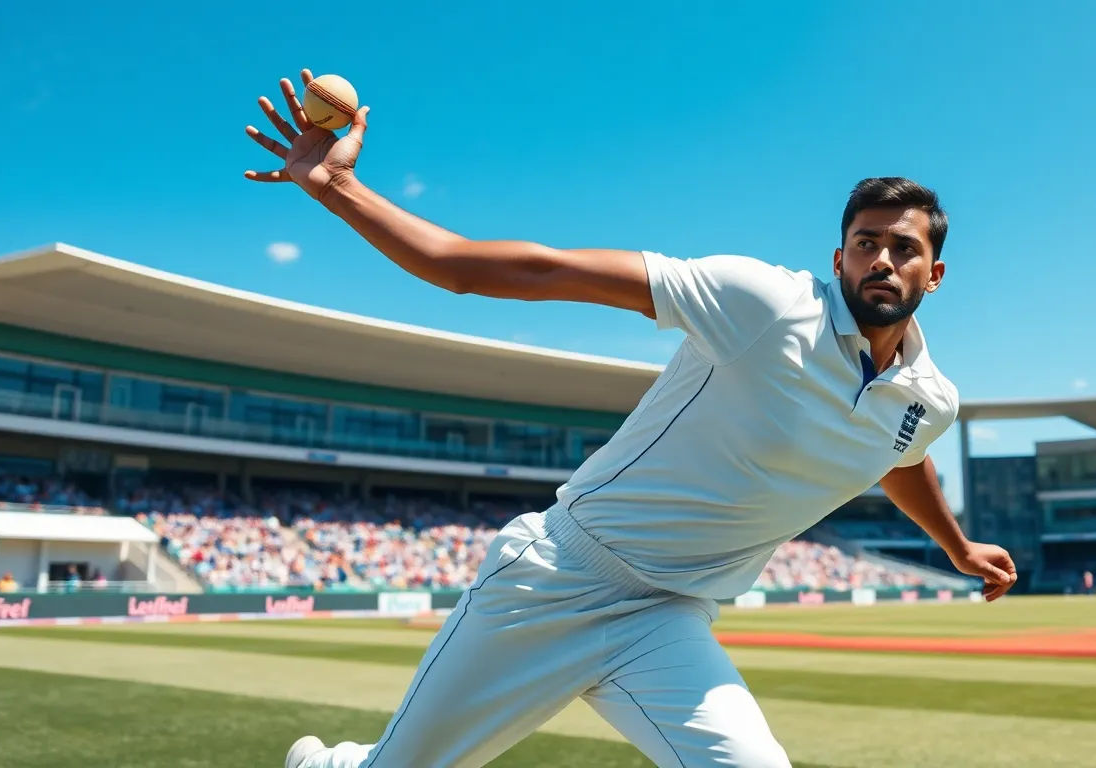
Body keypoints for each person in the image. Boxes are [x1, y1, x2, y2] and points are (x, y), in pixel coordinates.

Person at [246, 69, 1018, 768]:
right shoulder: (763, 303)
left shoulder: (929, 399)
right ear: (839, 257)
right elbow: (512, 268)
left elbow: (897, 451)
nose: (884, 259)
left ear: (935, 273)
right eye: (866, 242)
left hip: (669, 619)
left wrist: (956, 544)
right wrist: (337, 189)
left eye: (904, 248)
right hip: (555, 581)